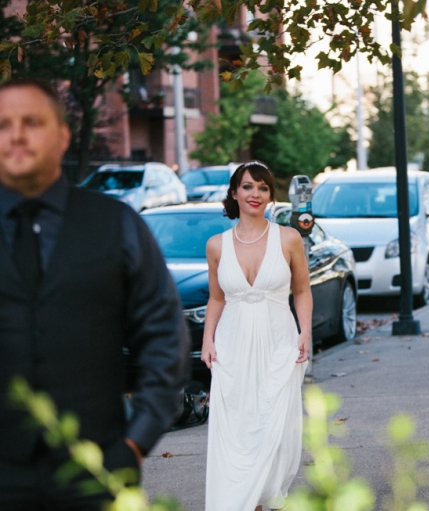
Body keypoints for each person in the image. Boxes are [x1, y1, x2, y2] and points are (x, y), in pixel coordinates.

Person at [0, 79, 189, 509]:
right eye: (3, 124)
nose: (16, 134)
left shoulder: (117, 224)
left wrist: (135, 442)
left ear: (63, 135)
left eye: (32, 122)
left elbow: (164, 337)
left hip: (97, 470)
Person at [202, 161, 312, 511]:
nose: (255, 194)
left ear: (270, 196)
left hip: (279, 342)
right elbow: (216, 298)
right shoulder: (217, 246)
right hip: (232, 346)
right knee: (236, 430)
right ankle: (239, 503)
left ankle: (263, 500)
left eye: (263, 188)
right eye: (248, 187)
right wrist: (207, 340)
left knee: (273, 427)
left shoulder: (289, 238)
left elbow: (303, 290)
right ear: (234, 193)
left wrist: (305, 331)